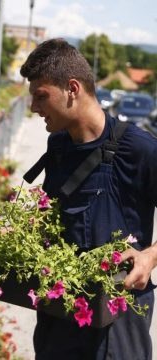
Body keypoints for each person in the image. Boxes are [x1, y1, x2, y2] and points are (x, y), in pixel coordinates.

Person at [20, 38, 157, 360]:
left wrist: (149, 257)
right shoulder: (58, 146)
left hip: (117, 325)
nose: (34, 108)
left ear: (72, 88)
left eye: (41, 96)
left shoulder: (139, 149)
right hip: (59, 316)